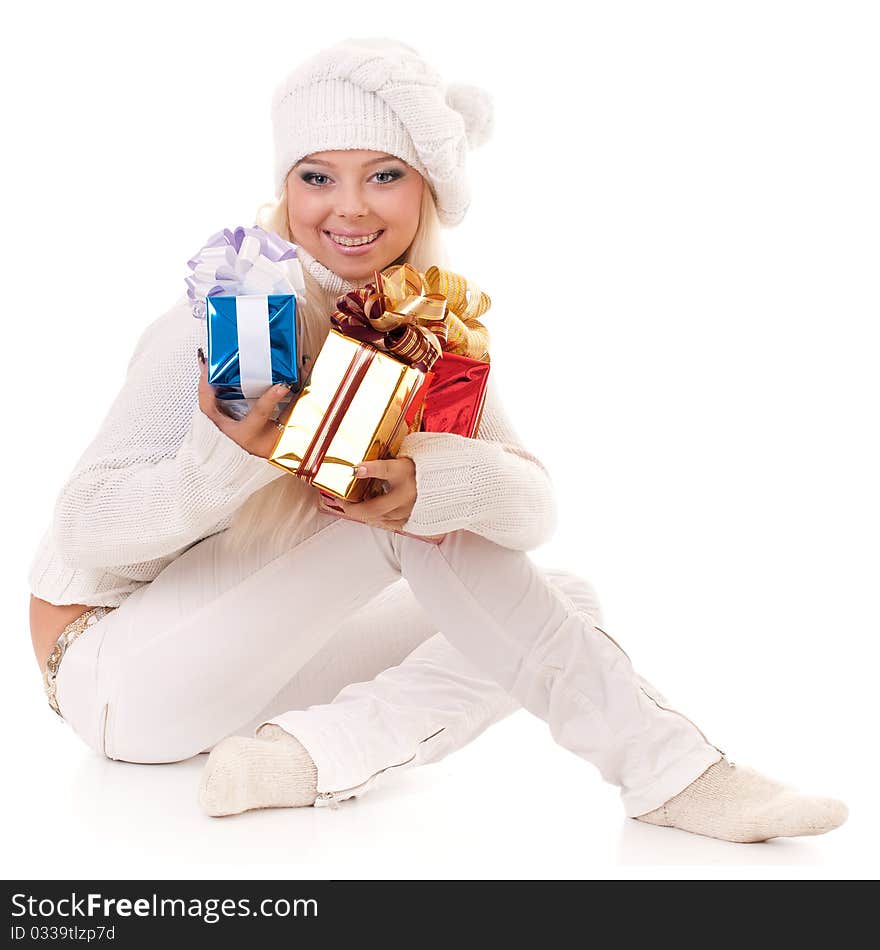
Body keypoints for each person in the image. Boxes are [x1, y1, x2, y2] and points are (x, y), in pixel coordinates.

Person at [27, 36, 848, 844]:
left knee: (562, 601)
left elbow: (533, 511)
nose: (349, 207)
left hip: (245, 683)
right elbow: (83, 526)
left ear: (426, 192)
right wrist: (221, 466)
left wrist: (437, 482)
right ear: (285, 189)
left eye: (383, 176)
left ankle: (307, 758)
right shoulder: (225, 321)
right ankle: (673, 774)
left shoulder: (420, 334)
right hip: (113, 674)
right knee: (429, 546)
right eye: (318, 177)